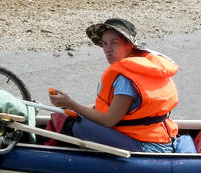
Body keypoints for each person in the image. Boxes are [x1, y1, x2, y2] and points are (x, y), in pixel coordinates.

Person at [48, 17, 180, 153]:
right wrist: (74, 108)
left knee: (80, 127)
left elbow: (109, 121)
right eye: (104, 44)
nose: (108, 49)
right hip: (160, 138)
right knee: (75, 116)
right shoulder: (144, 67)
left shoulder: (126, 79)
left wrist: (71, 104)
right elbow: (116, 110)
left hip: (147, 147)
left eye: (114, 43)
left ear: (129, 44)